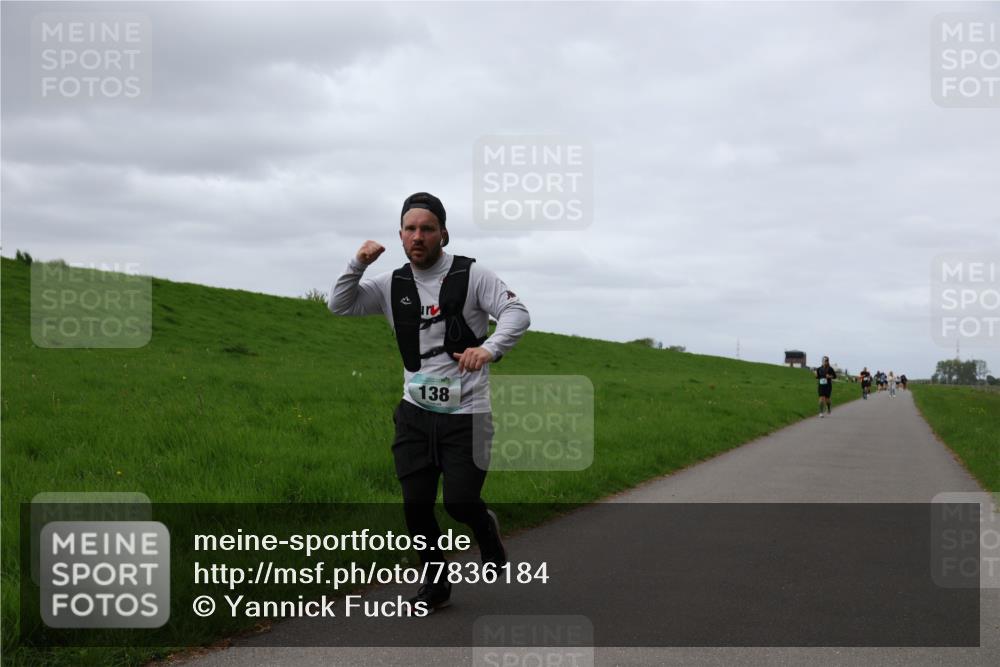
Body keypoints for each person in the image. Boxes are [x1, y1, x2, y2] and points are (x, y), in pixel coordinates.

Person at [328, 192, 530, 613]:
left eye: (427, 228)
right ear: (400, 235)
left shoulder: (473, 276)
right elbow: (340, 305)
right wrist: (358, 263)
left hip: (466, 415)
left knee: (458, 503)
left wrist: (489, 349)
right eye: (410, 229)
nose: (417, 236)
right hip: (415, 414)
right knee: (416, 508)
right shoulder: (391, 284)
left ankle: (484, 528)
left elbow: (517, 313)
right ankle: (435, 584)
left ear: (443, 233)